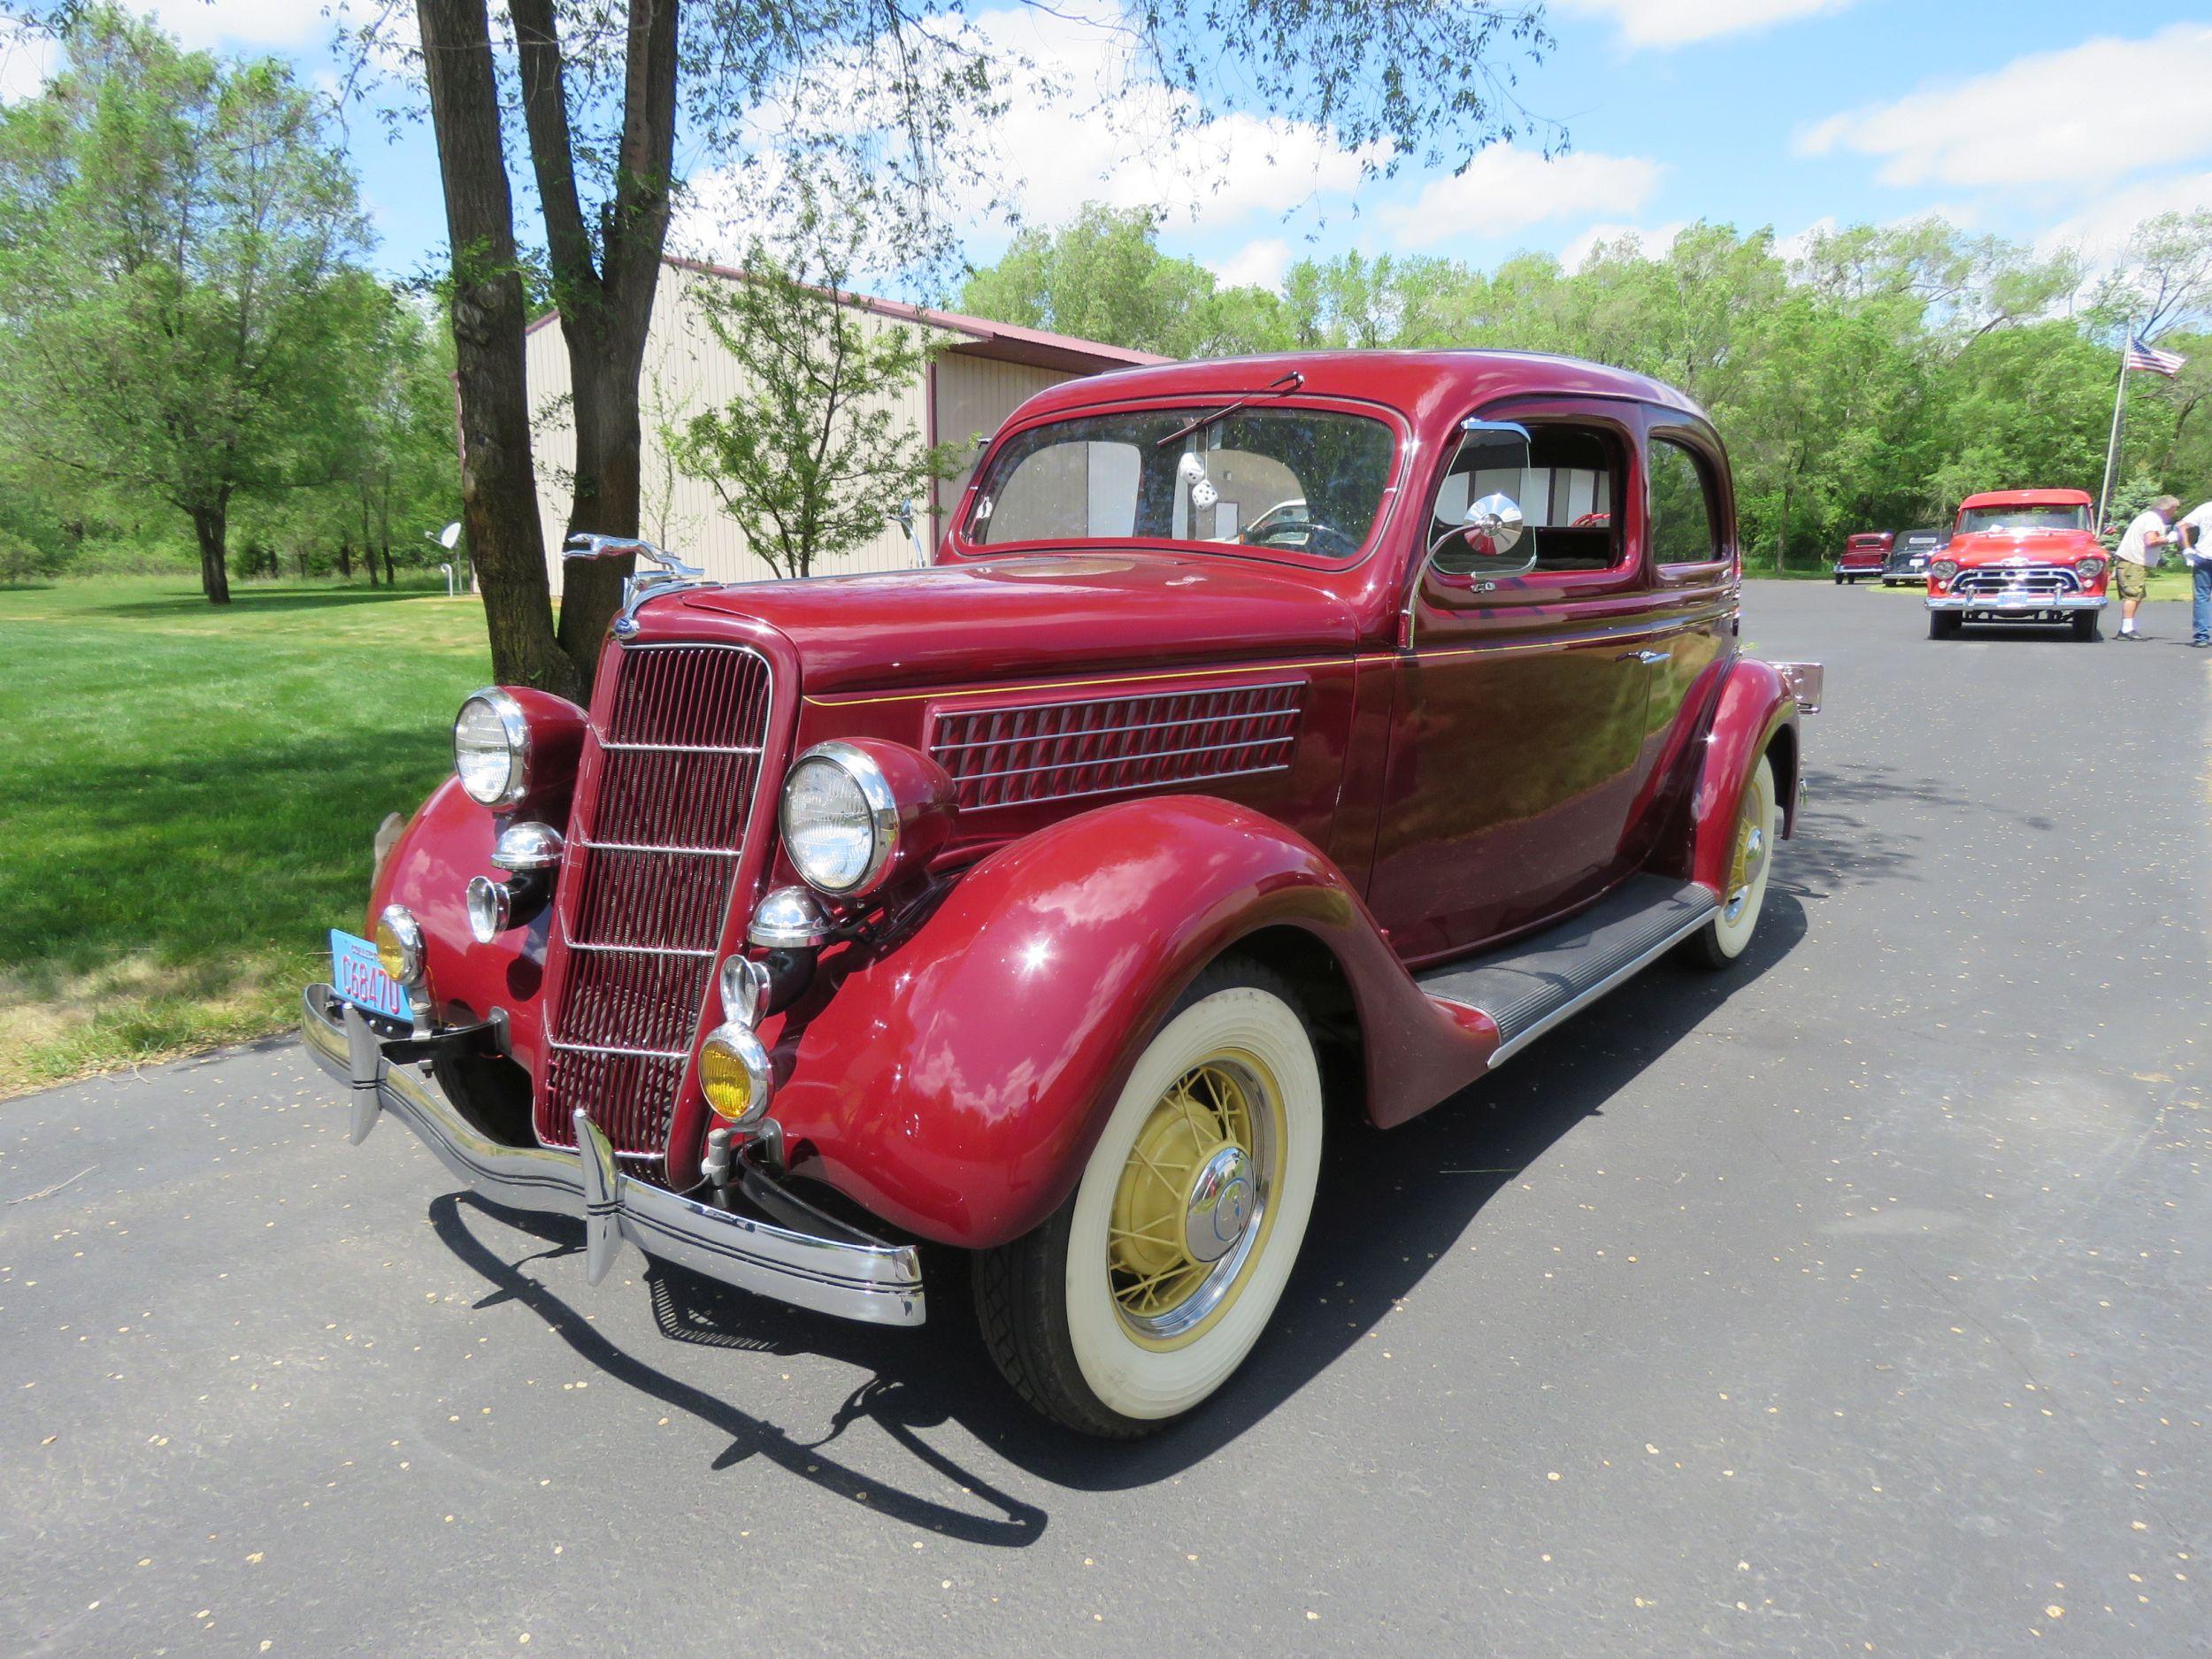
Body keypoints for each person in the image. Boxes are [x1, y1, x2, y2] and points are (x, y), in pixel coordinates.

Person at [2112, 495, 2178, 641]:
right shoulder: (2152, 520)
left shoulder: (2149, 518)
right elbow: (2151, 541)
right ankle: (2126, 629)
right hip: (2133, 561)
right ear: (2167, 508)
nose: (2175, 512)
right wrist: (2171, 538)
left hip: (2134, 562)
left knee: (2137, 594)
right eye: (2174, 509)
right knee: (2133, 594)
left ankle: (2127, 627)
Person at [2177, 497, 2212, 648]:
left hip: (2204, 556)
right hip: (2204, 557)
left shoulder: (2206, 508)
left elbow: (2181, 525)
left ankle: (2202, 636)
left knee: (2202, 596)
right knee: (2202, 596)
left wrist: (2187, 548)